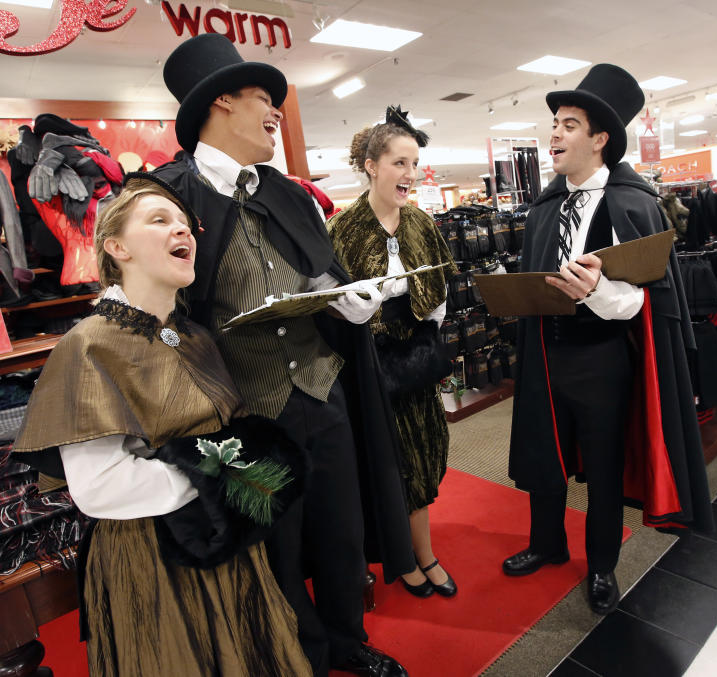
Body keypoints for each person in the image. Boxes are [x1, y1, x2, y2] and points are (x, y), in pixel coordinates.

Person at [155, 34, 412, 677]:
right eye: (265, 99)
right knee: (275, 545)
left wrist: (346, 299)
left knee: (341, 530)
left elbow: (320, 271)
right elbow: (160, 313)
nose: (277, 111)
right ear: (222, 102)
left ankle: (349, 641)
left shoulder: (288, 192)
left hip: (321, 391)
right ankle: (303, 655)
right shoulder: (162, 197)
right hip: (244, 411)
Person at [13, 173, 312, 677]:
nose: (183, 231)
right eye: (159, 220)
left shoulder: (190, 334)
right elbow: (100, 487)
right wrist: (218, 474)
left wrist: (238, 469)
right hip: (157, 560)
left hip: (224, 539)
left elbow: (225, 433)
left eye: (184, 223)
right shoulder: (89, 345)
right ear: (117, 248)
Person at [503, 64, 714, 616]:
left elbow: (646, 302)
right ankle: (548, 544)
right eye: (554, 122)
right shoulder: (545, 207)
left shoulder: (632, 204)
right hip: (547, 356)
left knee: (602, 467)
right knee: (544, 455)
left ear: (600, 140)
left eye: (569, 124)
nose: (554, 133)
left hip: (603, 361)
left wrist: (597, 290)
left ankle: (600, 565)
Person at [328, 106, 457, 599]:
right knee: (392, 462)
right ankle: (413, 558)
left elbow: (440, 287)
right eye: (400, 163)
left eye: (414, 163)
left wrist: (430, 333)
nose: (410, 174)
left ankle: (415, 552)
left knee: (425, 454)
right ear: (371, 165)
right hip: (369, 362)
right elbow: (328, 305)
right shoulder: (341, 229)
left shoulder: (421, 224)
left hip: (416, 360)